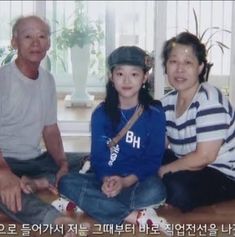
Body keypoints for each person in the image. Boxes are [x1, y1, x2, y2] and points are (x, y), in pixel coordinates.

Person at [59, 46, 168, 231]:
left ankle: (91, 203)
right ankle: (132, 216)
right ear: (111, 77)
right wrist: (106, 180)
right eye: (120, 74)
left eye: (134, 74)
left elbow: (153, 160)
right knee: (66, 182)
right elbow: (99, 158)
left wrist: (125, 182)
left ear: (144, 78)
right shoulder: (101, 113)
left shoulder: (155, 114)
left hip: (137, 181)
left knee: (156, 191)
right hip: (104, 179)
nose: (126, 80)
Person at [0, 15, 83, 229]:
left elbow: (50, 129)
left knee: (89, 159)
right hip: (4, 160)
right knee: (5, 189)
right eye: (28, 36)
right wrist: (3, 173)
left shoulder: (47, 80)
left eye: (42, 36)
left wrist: (63, 163)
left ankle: (36, 182)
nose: (36, 43)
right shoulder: (3, 80)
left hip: (35, 160)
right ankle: (54, 220)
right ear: (14, 42)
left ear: (48, 43)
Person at [159, 31, 235, 212]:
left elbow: (205, 157)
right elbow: (158, 147)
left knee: (178, 190)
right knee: (139, 160)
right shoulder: (165, 103)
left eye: (188, 63)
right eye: (173, 62)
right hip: (187, 163)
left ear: (200, 67)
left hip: (221, 172)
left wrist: (163, 170)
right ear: (166, 66)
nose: (179, 69)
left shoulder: (209, 99)